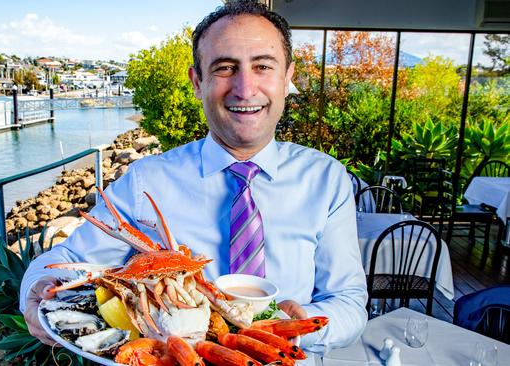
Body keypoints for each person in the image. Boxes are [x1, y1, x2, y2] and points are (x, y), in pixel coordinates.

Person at [20, 0, 367, 354]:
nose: (245, 88)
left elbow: (349, 301)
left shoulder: (327, 179)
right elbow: (67, 259)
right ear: (197, 82)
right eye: (224, 68)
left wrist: (301, 322)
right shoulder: (146, 181)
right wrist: (38, 287)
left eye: (263, 66)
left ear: (287, 79)